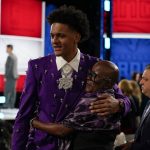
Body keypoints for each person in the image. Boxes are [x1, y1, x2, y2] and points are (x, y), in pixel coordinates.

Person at [11, 5, 130, 150]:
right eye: (52, 35)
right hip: (42, 146)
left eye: (61, 35)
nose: (54, 41)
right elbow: (24, 115)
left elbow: (125, 100)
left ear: (77, 37)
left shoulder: (96, 66)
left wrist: (118, 105)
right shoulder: (37, 67)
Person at [31, 60, 121, 150]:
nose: (88, 78)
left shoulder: (93, 102)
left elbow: (62, 131)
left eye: (94, 76)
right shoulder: (113, 99)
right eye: (89, 73)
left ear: (108, 83)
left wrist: (34, 123)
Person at [118, 64, 150, 150]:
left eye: (145, 79)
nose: (140, 82)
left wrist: (133, 146)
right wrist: (133, 142)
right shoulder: (148, 103)